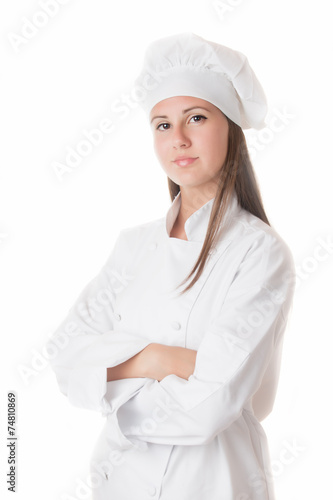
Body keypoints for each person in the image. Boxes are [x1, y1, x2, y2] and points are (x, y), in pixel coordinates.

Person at [47, 33, 295, 500]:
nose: (177, 139)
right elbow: (64, 357)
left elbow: (211, 404)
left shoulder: (259, 253)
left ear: (230, 129)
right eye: (161, 125)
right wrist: (159, 360)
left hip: (215, 482)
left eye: (196, 118)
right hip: (121, 483)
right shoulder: (134, 245)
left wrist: (112, 374)